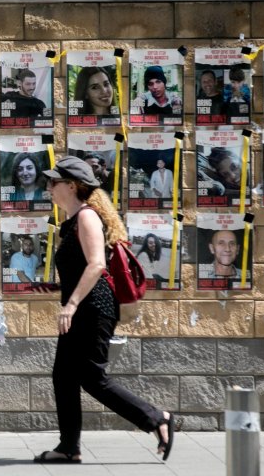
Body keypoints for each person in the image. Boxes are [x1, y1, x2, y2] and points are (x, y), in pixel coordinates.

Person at [33, 155, 173, 464]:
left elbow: (97, 264)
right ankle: (69, 447)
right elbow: (83, 268)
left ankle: (157, 418)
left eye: (54, 182)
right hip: (83, 306)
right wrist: (59, 289)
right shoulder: (70, 223)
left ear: (72, 186)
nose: (49, 188)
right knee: (63, 377)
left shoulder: (87, 217)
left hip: (94, 309)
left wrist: (70, 304)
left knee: (92, 377)